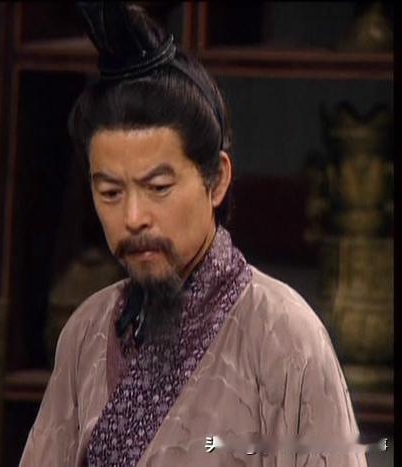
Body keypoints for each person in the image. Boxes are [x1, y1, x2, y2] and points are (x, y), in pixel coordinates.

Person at [20, 3, 366, 466]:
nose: (134, 217)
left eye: (158, 187)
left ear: (216, 180)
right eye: (110, 192)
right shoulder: (86, 332)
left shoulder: (286, 338)